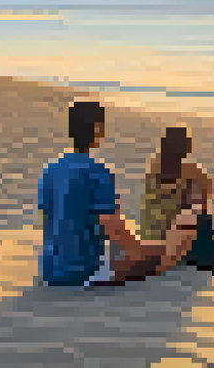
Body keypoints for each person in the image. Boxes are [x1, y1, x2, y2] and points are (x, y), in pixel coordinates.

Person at [39, 98, 175, 287]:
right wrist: (140, 251)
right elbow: (112, 226)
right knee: (163, 252)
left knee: (147, 249)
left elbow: (48, 218)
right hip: (84, 270)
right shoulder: (98, 172)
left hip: (50, 268)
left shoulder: (50, 170)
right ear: (97, 130)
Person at [139, 126, 214, 276]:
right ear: (186, 147)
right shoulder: (193, 173)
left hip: (150, 238)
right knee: (200, 217)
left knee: (193, 215)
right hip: (175, 241)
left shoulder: (154, 167)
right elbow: (200, 206)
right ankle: (213, 262)